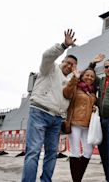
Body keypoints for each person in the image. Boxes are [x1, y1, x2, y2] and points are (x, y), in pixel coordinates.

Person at [21, 29, 77, 182]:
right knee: (33, 151)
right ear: (62, 62)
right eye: (68, 62)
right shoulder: (50, 68)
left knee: (52, 153)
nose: (69, 66)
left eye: (73, 65)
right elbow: (47, 56)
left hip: (57, 119)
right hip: (40, 112)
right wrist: (64, 45)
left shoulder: (71, 81)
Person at [62, 54, 104, 182]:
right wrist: (75, 78)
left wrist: (94, 108)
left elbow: (93, 104)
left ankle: (77, 178)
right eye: (87, 75)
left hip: (87, 125)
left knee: (88, 151)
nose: (89, 78)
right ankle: (77, 180)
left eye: (92, 76)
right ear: (82, 76)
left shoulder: (92, 92)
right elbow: (66, 93)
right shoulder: (76, 86)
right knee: (75, 152)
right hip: (74, 123)